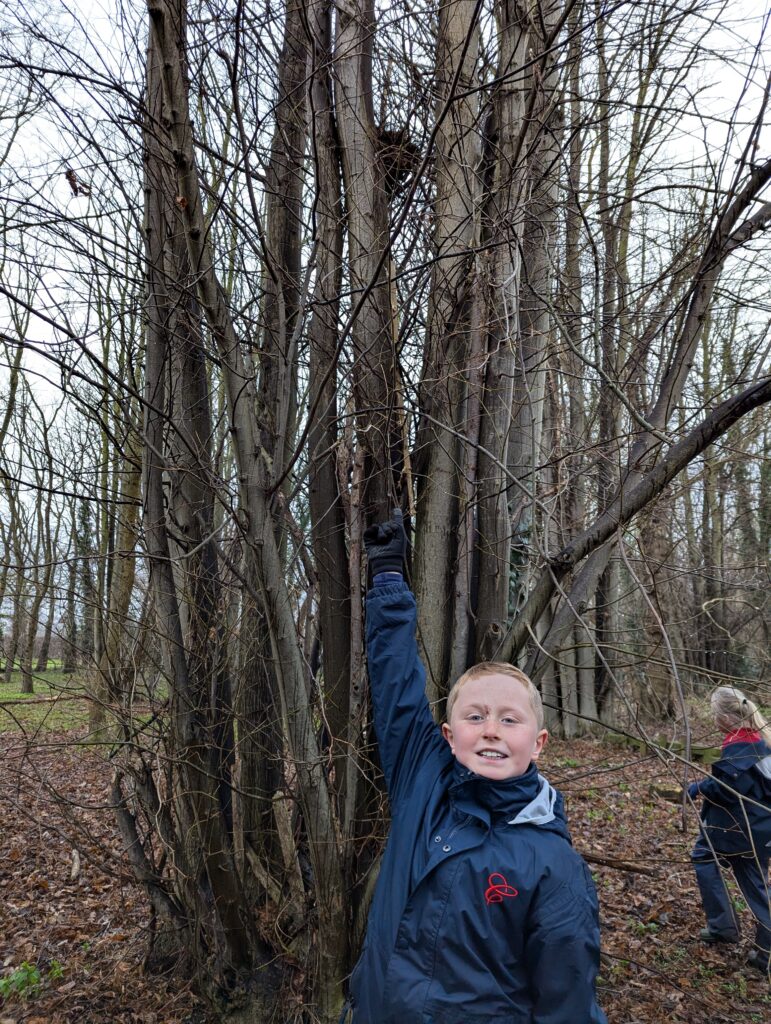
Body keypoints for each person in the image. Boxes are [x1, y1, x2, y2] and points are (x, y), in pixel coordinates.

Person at [346, 509, 607, 1023]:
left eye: (510, 720)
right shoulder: (422, 783)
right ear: (448, 736)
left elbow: (568, 1000)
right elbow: (396, 690)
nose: (491, 729)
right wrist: (389, 580)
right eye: (475, 716)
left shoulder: (553, 867)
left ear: (539, 743)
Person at [688, 685, 771, 973]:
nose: (713, 719)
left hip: (738, 830)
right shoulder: (758, 740)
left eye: (714, 713)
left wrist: (697, 787)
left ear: (727, 716)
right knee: (756, 885)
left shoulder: (740, 746)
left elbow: (726, 787)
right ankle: (760, 949)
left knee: (703, 855)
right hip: (757, 829)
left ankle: (726, 928)